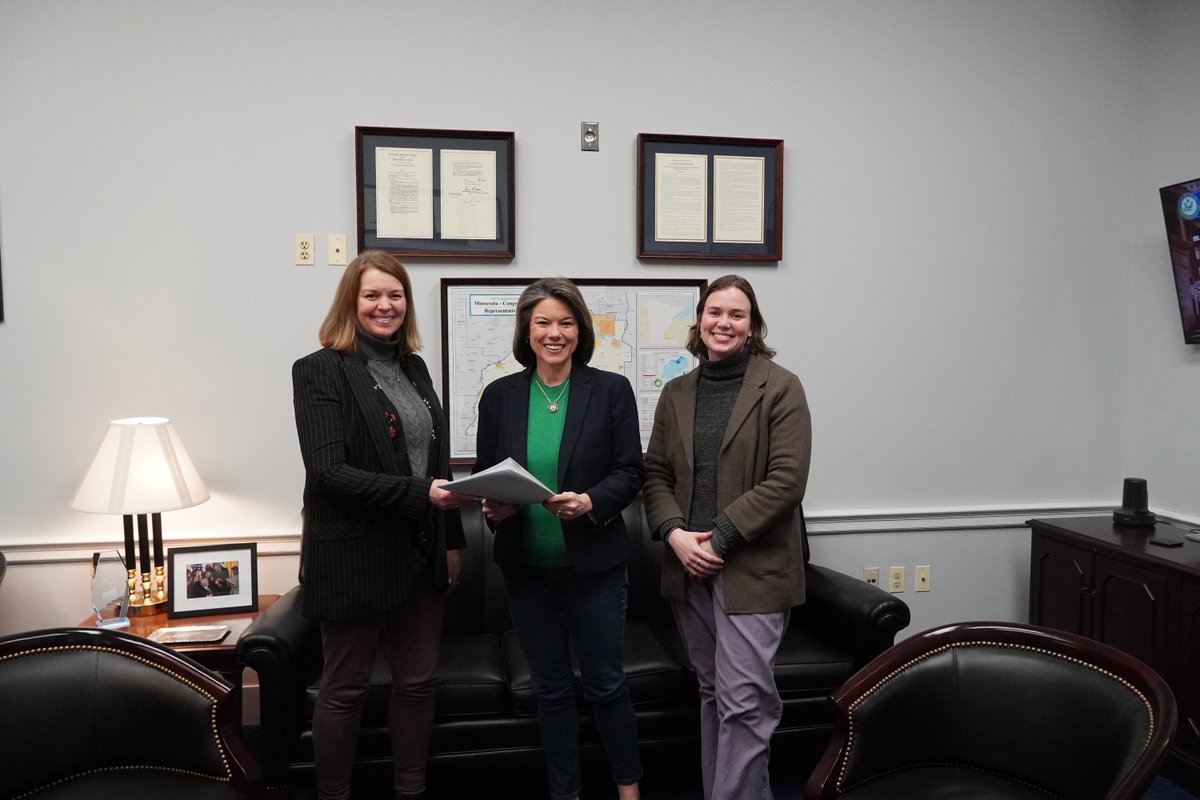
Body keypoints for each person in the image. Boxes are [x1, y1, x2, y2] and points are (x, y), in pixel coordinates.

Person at [292, 250, 473, 800]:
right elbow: (328, 474)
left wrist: (453, 541)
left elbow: (435, 464)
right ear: (352, 302)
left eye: (395, 295)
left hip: (420, 553)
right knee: (344, 689)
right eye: (372, 295)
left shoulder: (413, 368)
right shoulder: (320, 369)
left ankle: (411, 790)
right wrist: (421, 494)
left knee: (417, 684)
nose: (385, 305)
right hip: (352, 557)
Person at [473, 277, 644, 800]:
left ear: (580, 330)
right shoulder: (499, 395)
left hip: (594, 566)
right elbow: (487, 474)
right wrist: (495, 509)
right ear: (526, 331)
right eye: (543, 322)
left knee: (607, 685)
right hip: (528, 571)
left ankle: (628, 790)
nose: (554, 333)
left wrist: (591, 502)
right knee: (550, 690)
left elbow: (630, 471)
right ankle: (564, 792)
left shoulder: (610, 390)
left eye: (565, 323)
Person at [643, 275, 811, 800]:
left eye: (737, 314)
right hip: (687, 567)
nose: (724, 322)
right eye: (715, 312)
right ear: (699, 322)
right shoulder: (677, 392)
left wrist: (718, 540)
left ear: (753, 326)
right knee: (714, 694)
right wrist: (675, 536)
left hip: (752, 572)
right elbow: (654, 474)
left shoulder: (781, 387)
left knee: (745, 702)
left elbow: (787, 480)